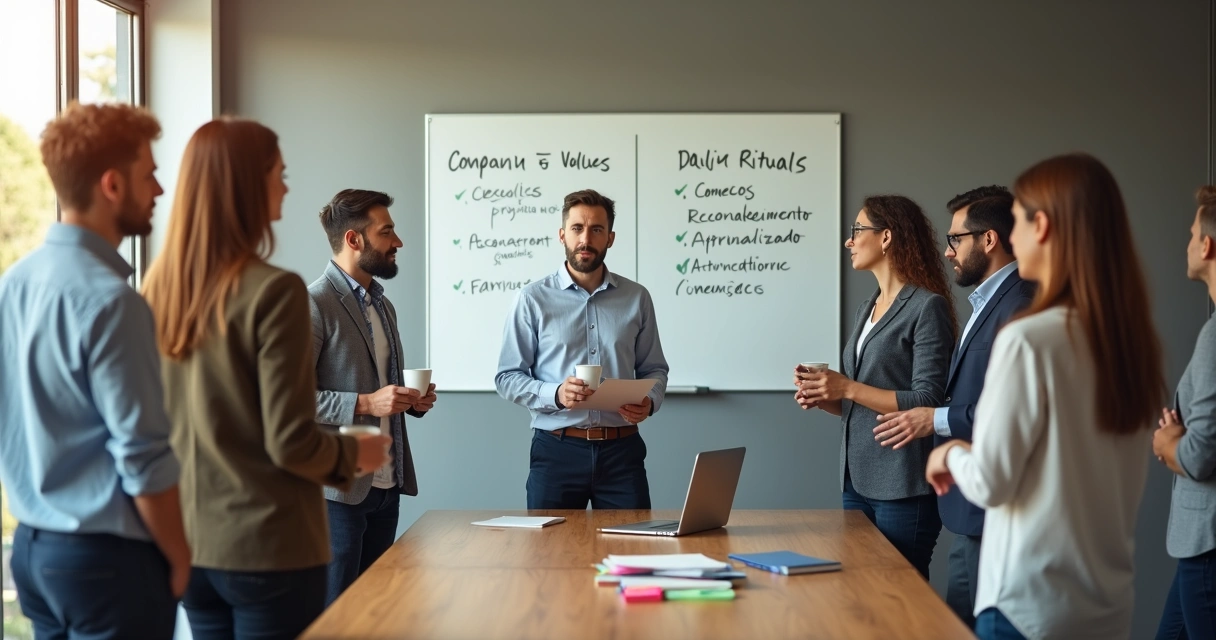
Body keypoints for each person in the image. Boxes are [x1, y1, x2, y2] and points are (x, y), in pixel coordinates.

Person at [142, 118, 391, 640]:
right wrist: (356, 457)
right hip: (266, 543)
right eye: (278, 174)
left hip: (192, 540)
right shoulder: (275, 291)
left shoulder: (156, 288)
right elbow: (289, 440)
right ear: (246, 184)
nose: (285, 186)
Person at [926, 153, 1165, 640]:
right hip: (1105, 608)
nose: (1011, 237)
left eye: (1017, 222)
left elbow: (993, 481)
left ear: (1045, 226)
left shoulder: (1029, 338)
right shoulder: (1133, 347)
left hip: (1025, 606)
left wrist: (952, 453)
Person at [0, 102, 189, 639]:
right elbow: (144, 454)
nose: (157, 190)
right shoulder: (111, 301)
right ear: (111, 185)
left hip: (33, 553)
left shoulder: (13, 284)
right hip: (108, 563)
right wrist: (178, 556)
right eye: (149, 174)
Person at [872, 186, 1034, 626]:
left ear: (989, 240)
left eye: (956, 239)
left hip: (998, 505)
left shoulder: (1021, 305)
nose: (947, 252)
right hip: (974, 506)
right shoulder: (989, 303)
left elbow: (1018, 415)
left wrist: (936, 420)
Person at [795, 194, 956, 579]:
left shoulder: (926, 307)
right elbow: (862, 400)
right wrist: (826, 396)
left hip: (903, 486)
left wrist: (846, 388)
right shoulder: (866, 307)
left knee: (901, 599)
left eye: (857, 230)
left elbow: (926, 400)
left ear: (886, 237)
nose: (849, 241)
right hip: (856, 480)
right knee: (862, 595)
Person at [496, 188, 669, 509]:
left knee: (631, 551)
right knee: (551, 555)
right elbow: (507, 377)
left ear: (610, 238)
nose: (585, 239)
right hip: (556, 450)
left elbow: (654, 369)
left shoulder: (637, 297)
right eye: (577, 228)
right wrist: (556, 394)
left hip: (623, 452)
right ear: (562, 235)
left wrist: (650, 401)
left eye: (597, 229)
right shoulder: (531, 299)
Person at [310, 188, 437, 605]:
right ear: (354, 240)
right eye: (388, 232)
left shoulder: (384, 305)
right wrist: (366, 403)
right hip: (336, 492)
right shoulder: (313, 304)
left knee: (377, 611)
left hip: (385, 485)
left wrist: (411, 401)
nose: (398, 242)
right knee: (336, 614)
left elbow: (382, 385)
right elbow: (288, 401)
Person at [1152, 185, 1216, 640]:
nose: (1188, 243)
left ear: (1208, 246)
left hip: (1208, 544)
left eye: (1192, 234)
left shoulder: (1215, 336)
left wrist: (1168, 442)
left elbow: (1198, 457)